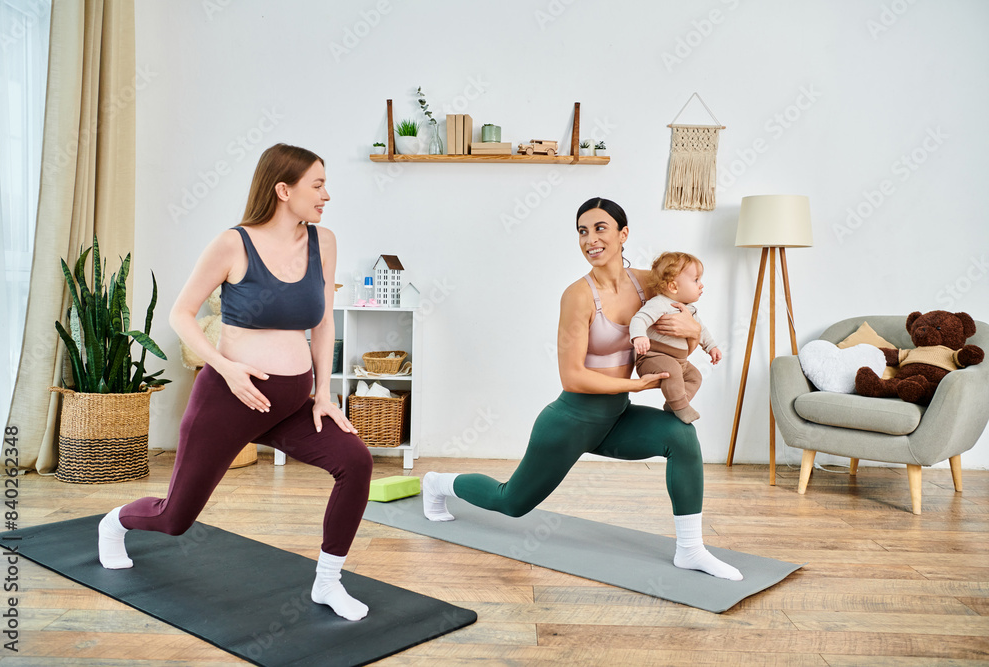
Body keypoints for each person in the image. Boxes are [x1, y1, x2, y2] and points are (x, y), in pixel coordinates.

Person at [97, 143, 374, 621]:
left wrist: (324, 393)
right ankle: (113, 523)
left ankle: (328, 582)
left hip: (290, 403)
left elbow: (325, 322)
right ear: (283, 190)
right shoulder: (233, 243)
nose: (327, 194)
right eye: (318, 184)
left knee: (356, 461)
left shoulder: (323, 242)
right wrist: (223, 366)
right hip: (228, 399)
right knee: (175, 519)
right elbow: (180, 314)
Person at [423, 197, 742, 581]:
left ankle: (690, 549)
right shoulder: (578, 295)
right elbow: (571, 377)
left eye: (600, 228)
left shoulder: (648, 284)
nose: (591, 239)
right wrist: (634, 384)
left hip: (616, 417)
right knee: (511, 502)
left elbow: (683, 326)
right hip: (572, 420)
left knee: (682, 437)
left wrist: (693, 332)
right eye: (582, 231)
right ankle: (438, 483)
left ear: (624, 234)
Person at [629, 251, 722, 424]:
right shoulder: (659, 304)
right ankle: (681, 407)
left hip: (679, 362)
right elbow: (639, 318)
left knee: (695, 376)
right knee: (671, 369)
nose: (701, 285)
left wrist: (712, 347)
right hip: (652, 357)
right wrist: (639, 336)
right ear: (673, 287)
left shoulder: (690, 309)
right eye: (696, 280)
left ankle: (676, 403)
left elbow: (701, 330)